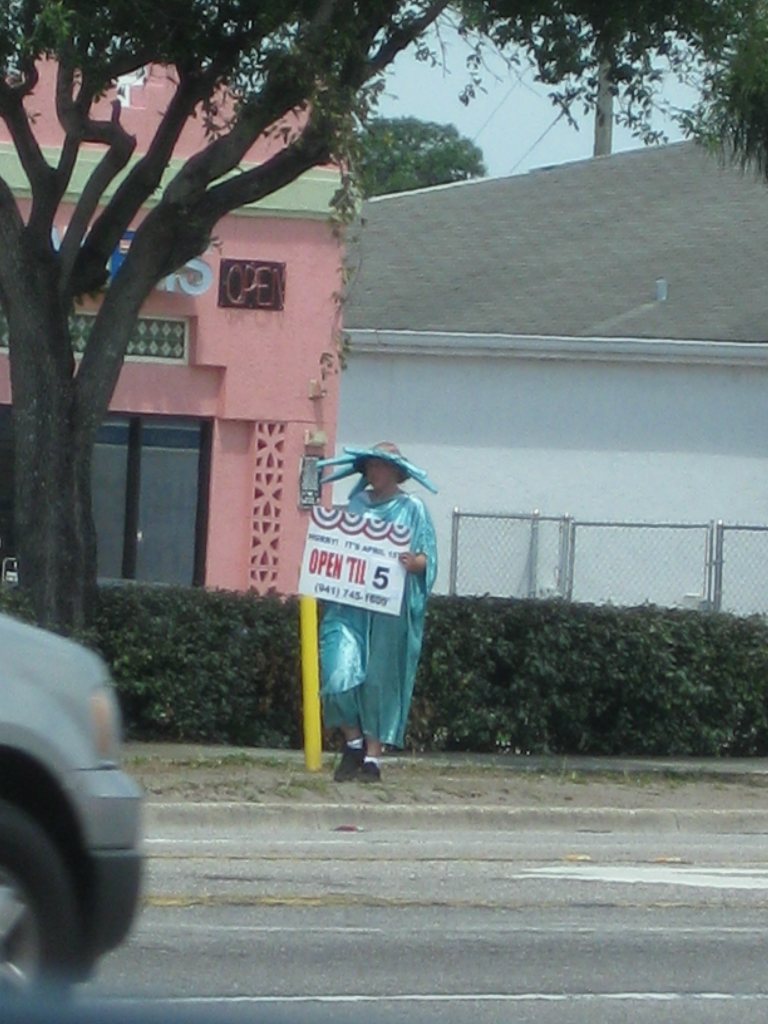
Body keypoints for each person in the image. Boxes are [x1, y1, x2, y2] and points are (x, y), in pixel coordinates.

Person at [316, 441, 438, 783]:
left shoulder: (413, 508)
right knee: (336, 670)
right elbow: (340, 547)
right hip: (349, 605)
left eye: (380, 465)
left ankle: (372, 757)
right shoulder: (356, 504)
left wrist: (413, 563)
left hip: (387, 612)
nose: (374, 471)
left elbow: (427, 558)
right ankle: (352, 741)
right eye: (370, 465)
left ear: (396, 471)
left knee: (378, 681)